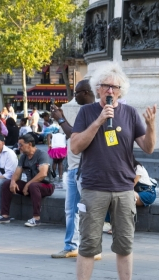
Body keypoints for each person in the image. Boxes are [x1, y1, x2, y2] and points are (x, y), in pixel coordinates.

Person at [67, 62, 157, 280]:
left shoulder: (129, 113)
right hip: (94, 187)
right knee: (88, 245)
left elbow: (148, 148)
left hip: (124, 188)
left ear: (121, 90)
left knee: (124, 245)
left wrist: (151, 125)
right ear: (97, 89)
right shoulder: (86, 112)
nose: (110, 90)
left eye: (115, 87)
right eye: (105, 85)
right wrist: (99, 120)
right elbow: (75, 147)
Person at [50, 79, 98, 260]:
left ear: (86, 93)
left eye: (77, 93)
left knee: (87, 210)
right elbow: (76, 133)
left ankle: (92, 247)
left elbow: (75, 135)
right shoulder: (85, 112)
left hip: (84, 169)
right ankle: (71, 245)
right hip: (74, 169)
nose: (74, 96)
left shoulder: (94, 111)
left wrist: (60, 119)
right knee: (72, 210)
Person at [0, 134, 55, 227]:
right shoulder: (23, 157)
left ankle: (36, 218)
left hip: (46, 186)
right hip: (31, 186)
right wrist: (13, 182)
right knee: (6, 183)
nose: (19, 147)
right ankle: (4, 216)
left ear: (29, 144)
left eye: (21, 145)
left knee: (33, 185)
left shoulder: (42, 154)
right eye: (18, 145)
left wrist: (27, 184)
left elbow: (43, 174)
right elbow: (17, 173)